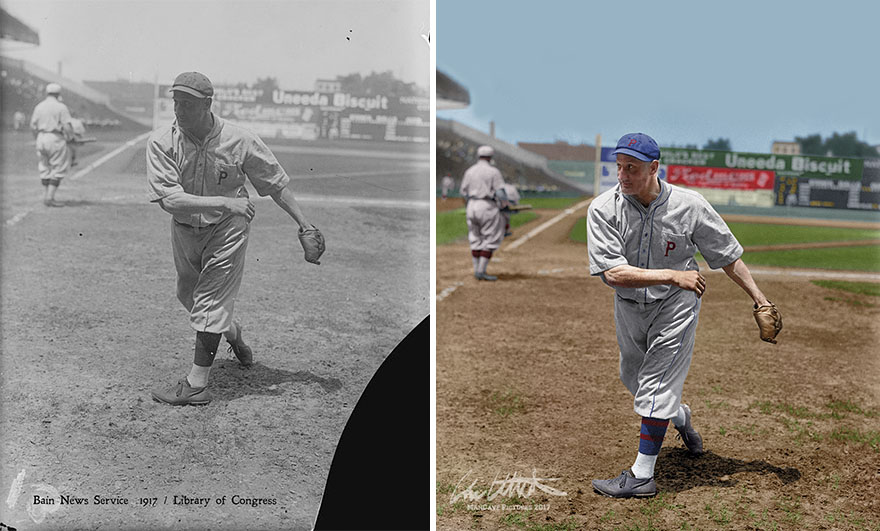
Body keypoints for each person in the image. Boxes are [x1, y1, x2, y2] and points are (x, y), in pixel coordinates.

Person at [586, 132, 781, 498]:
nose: (622, 175)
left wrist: (759, 297)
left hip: (676, 304)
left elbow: (725, 255)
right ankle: (680, 417)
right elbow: (613, 274)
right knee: (633, 378)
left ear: (654, 168)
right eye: (619, 167)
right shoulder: (603, 209)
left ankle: (642, 476)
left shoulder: (690, 205)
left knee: (657, 383)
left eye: (632, 168)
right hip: (629, 305)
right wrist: (673, 273)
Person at [146, 71, 323, 406]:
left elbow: (274, 184)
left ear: (207, 104)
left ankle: (196, 385)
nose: (179, 110)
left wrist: (304, 224)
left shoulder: (239, 139)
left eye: (188, 104)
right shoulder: (161, 142)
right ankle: (233, 333)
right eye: (176, 102)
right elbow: (169, 200)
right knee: (188, 294)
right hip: (184, 229)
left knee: (211, 300)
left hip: (227, 229)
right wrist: (225, 200)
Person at [459, 145, 506, 281]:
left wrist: (469, 205)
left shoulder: (470, 171)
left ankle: (476, 270)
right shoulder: (493, 171)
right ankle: (481, 271)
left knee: (475, 237)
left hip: (471, 205)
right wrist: (505, 204)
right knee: (490, 238)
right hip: (486, 205)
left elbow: (463, 192)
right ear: (490, 157)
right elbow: (500, 192)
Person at [29, 83, 73, 207]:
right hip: (55, 137)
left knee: (44, 166)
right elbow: (66, 126)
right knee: (58, 167)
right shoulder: (61, 107)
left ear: (47, 93)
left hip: (41, 137)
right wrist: (70, 137)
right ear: (58, 94)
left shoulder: (39, 106)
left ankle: (46, 195)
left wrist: (37, 138)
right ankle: (49, 197)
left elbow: (32, 126)